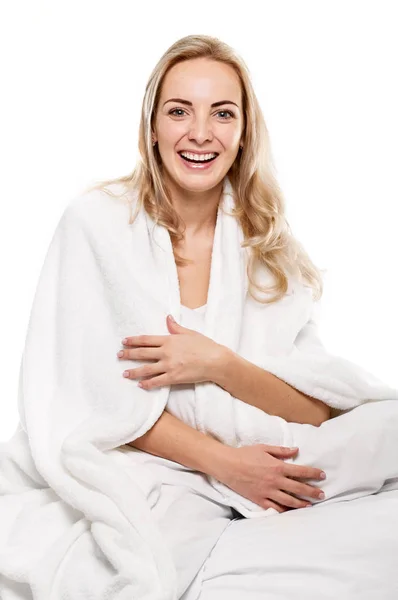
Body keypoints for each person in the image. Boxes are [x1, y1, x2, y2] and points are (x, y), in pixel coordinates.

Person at [87, 32, 329, 517]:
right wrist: (226, 465)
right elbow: (83, 398)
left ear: (243, 133)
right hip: (135, 467)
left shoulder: (268, 247)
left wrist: (218, 363)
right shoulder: (97, 222)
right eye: (179, 111)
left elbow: (317, 409)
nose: (201, 133)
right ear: (151, 127)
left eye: (222, 113)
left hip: (266, 456)